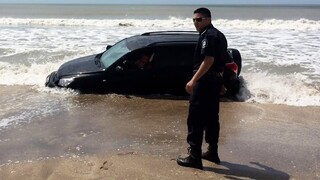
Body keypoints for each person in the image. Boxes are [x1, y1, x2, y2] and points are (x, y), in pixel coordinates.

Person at [177, 7, 228, 170]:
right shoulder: (219, 35)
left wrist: (193, 80)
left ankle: (194, 157)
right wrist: (220, 82)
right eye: (193, 20)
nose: (195, 23)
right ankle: (212, 152)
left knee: (196, 119)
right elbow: (223, 61)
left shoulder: (209, 36)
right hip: (213, 82)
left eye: (199, 19)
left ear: (208, 19)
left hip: (204, 82)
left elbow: (209, 60)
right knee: (212, 118)